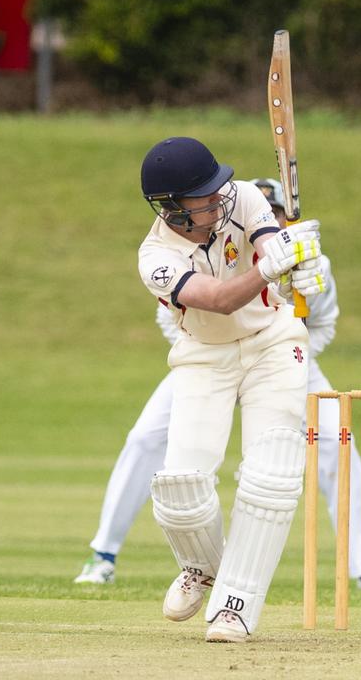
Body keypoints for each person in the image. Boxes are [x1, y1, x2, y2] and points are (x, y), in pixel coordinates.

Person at [74, 178, 361, 591]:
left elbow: (322, 323)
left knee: (338, 443)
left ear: (283, 218)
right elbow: (172, 318)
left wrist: (280, 364)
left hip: (285, 359)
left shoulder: (314, 262)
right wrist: (222, 364)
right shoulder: (198, 248)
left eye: (276, 215)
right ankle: (103, 553)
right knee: (144, 439)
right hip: (207, 358)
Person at [135, 137, 327, 643]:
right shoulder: (155, 256)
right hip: (205, 355)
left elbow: (270, 245)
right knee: (180, 488)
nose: (221, 193)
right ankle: (203, 566)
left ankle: (234, 607)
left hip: (272, 341)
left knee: (273, 476)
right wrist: (269, 268)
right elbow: (218, 300)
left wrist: (300, 265)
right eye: (204, 192)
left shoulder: (242, 196)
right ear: (175, 208)